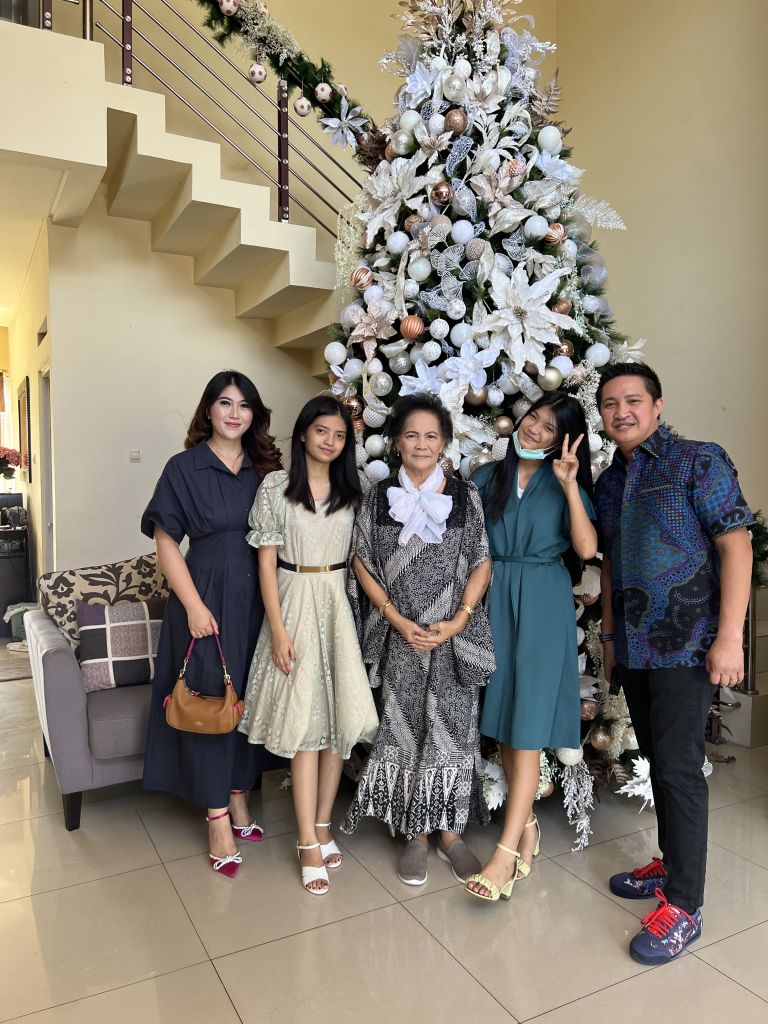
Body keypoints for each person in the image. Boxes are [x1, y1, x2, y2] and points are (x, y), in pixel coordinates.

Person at [596, 362, 753, 964]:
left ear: (657, 405)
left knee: (681, 769)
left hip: (689, 645)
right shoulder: (609, 482)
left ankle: (685, 905)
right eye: (610, 404)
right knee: (659, 761)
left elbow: (736, 545)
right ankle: (670, 863)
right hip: (635, 647)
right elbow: (610, 565)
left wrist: (730, 637)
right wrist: (610, 638)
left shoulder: (697, 460)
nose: (622, 412)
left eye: (633, 400)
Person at [341, 393, 494, 888]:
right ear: (396, 442)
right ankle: (415, 835)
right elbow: (361, 561)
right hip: (399, 634)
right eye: (412, 435)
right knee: (403, 727)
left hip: (451, 636)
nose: (421, 444)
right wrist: (394, 617)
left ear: (444, 442)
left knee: (453, 731)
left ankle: (450, 833)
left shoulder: (466, 496)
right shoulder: (377, 497)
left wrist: (459, 620)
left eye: (431, 435)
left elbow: (481, 561)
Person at [141, 370, 283, 879]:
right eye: (225, 402)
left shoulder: (265, 470)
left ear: (254, 415)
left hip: (258, 599)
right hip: (205, 598)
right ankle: (217, 817)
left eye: (244, 405)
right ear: (208, 409)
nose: (234, 413)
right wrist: (194, 606)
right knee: (210, 700)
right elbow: (165, 542)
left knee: (248, 696)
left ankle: (239, 795)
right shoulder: (184, 467)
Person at [239, 396, 378, 896]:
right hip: (294, 600)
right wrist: (278, 629)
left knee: (338, 722)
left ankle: (322, 825)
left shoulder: (353, 488)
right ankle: (305, 840)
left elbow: (361, 557)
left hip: (338, 603)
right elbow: (265, 562)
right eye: (322, 431)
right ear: (303, 433)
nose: (330, 442)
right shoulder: (276, 487)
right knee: (304, 725)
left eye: (340, 435)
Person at [466, 393, 597, 902]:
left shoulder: (563, 482)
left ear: (564, 440)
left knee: (528, 723)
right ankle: (527, 829)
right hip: (492, 598)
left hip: (543, 603)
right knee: (504, 715)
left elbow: (586, 549)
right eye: (532, 418)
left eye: (548, 427)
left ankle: (503, 854)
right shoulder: (486, 478)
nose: (534, 429)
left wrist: (568, 485)